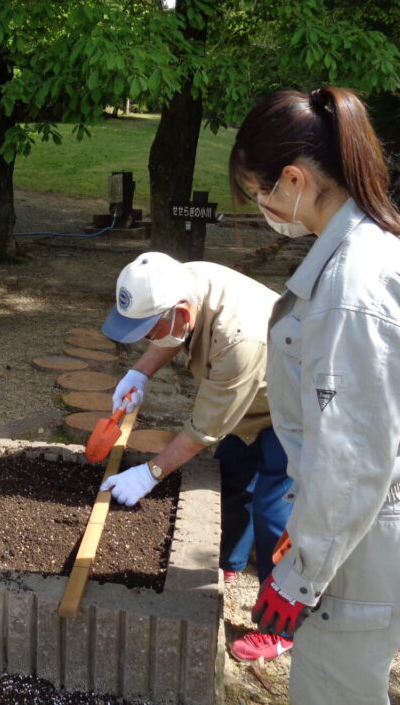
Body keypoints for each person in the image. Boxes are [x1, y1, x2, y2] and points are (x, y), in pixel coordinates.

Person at [229, 86, 400, 705]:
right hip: (375, 514)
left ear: (293, 179)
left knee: (333, 692)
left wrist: (302, 573)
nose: (264, 207)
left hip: (374, 524)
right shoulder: (382, 240)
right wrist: (308, 531)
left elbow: (354, 454)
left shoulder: (354, 284)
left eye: (260, 192)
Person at [99, 252, 295, 662]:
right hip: (252, 398)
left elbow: (204, 429)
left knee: (275, 507)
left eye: (148, 331)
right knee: (234, 477)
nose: (146, 340)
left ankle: (280, 626)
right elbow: (172, 333)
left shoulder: (239, 339)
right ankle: (229, 563)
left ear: (180, 313)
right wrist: (140, 372)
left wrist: (150, 473)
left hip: (296, 409)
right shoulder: (184, 279)